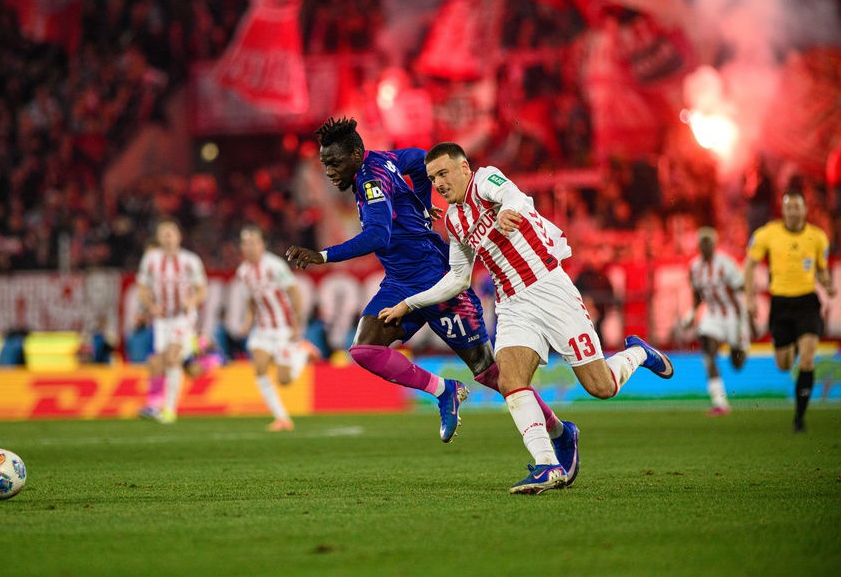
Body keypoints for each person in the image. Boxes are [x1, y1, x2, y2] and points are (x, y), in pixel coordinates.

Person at [378, 143, 674, 494]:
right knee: (510, 380)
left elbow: (515, 196)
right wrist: (409, 303)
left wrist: (507, 210)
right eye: (432, 178)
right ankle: (548, 464)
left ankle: (638, 352)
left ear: (464, 168)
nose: (439, 183)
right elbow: (458, 278)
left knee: (601, 387)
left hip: (548, 288)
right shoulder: (455, 221)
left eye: (443, 173)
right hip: (512, 305)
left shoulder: (485, 180)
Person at [285, 118, 504, 445]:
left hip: (436, 280)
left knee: (490, 375)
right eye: (325, 164)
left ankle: (557, 430)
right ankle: (445, 390)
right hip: (401, 283)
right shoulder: (382, 159)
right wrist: (422, 204)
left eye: (335, 163)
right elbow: (419, 159)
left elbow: (377, 235)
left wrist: (323, 256)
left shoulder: (371, 179)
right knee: (364, 349)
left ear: (355, 155)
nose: (329, 172)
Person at [744, 190, 835, 433]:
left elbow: (821, 269)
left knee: (807, 359)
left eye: (797, 207)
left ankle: (799, 418)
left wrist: (827, 284)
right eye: (789, 207)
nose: (793, 211)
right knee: (784, 365)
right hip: (781, 304)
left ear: (805, 210)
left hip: (807, 303)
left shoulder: (818, 237)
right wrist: (750, 298)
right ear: (783, 210)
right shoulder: (768, 233)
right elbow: (750, 265)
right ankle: (794, 344)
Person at [236, 225, 308, 432]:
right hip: (263, 329)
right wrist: (247, 322)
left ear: (262, 244)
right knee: (259, 368)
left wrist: (296, 324)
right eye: (245, 243)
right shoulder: (243, 272)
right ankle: (282, 418)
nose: (249, 247)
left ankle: (302, 353)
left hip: (283, 327)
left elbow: (294, 293)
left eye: (253, 243)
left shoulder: (275, 265)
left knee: (284, 380)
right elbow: (251, 301)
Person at [137, 219, 208, 424]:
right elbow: (142, 288)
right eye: (164, 233)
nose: (168, 237)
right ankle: (200, 357)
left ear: (179, 236)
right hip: (162, 320)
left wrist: (192, 301)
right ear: (159, 238)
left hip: (183, 317)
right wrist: (151, 306)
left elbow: (202, 289)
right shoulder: (150, 260)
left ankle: (169, 411)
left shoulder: (190, 260)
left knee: (172, 356)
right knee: (158, 362)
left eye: (171, 233)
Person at [681, 227, 748, 416]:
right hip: (712, 314)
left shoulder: (726, 263)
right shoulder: (694, 267)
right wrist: (692, 313)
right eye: (702, 242)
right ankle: (720, 402)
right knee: (708, 352)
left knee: (737, 362)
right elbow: (697, 294)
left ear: (714, 244)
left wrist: (749, 314)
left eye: (708, 242)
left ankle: (737, 348)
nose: (705, 246)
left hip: (733, 314)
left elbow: (741, 287)